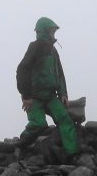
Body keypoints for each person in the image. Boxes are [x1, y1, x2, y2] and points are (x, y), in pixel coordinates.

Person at [16, 17, 79, 163]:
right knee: (38, 124)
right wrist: (26, 95)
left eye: (54, 30)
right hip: (34, 96)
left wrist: (63, 93)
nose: (54, 33)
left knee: (65, 119)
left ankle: (72, 153)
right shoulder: (35, 46)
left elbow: (60, 73)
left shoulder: (53, 50)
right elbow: (22, 70)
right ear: (43, 30)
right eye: (52, 30)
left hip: (51, 96)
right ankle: (22, 144)